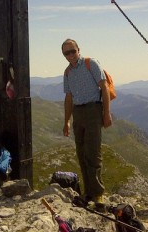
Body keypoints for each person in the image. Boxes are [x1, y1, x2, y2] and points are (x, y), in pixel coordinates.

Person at [61, 38, 112, 211]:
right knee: (82, 152)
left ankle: (98, 194)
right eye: (66, 53)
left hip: (93, 110)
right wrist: (67, 120)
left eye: (72, 51)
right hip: (78, 112)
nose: (70, 55)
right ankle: (89, 193)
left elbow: (104, 87)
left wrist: (106, 113)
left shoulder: (91, 64)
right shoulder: (67, 72)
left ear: (78, 50)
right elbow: (68, 97)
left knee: (93, 152)